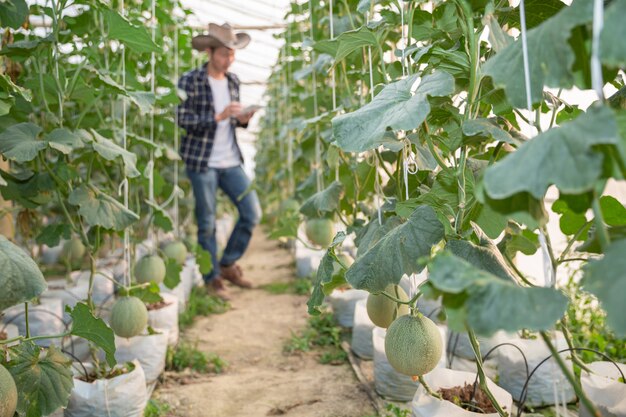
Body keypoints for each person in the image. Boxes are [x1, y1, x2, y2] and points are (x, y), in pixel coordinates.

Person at [177, 22, 260, 301]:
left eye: (233, 54)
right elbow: (182, 119)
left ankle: (227, 263)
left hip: (230, 160)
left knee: (251, 212)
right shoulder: (190, 81)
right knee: (207, 223)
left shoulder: (233, 81)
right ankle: (212, 278)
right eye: (225, 53)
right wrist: (219, 117)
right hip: (202, 162)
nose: (229, 59)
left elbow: (231, 123)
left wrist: (242, 120)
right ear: (210, 52)